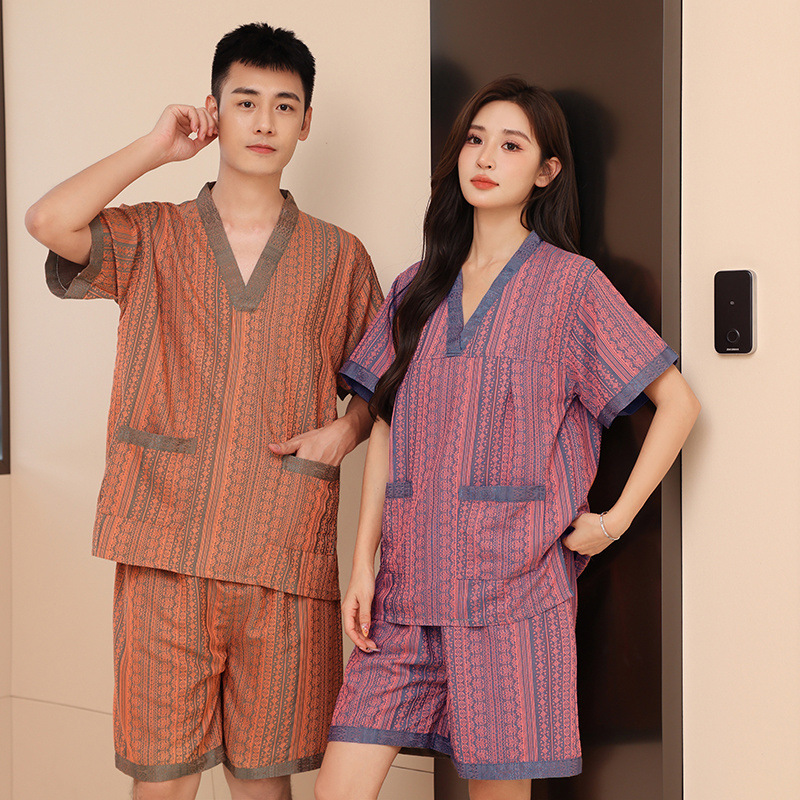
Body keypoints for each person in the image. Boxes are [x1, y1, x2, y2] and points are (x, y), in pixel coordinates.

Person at [314, 77, 699, 800]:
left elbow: (677, 404)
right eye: (475, 139)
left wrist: (614, 521)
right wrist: (361, 564)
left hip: (512, 597)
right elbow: (386, 426)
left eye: (511, 145)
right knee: (338, 790)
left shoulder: (573, 287)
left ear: (546, 171)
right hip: (404, 593)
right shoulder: (414, 288)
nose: (486, 157)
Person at [25, 22, 383, 800]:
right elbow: (50, 222)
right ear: (215, 110)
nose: (264, 121)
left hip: (282, 551)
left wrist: (346, 430)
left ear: (306, 123)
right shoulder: (152, 233)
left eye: (284, 105)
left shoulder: (339, 256)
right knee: (164, 781)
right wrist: (157, 147)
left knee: (263, 785)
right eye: (245, 101)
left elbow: (385, 387)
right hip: (165, 546)